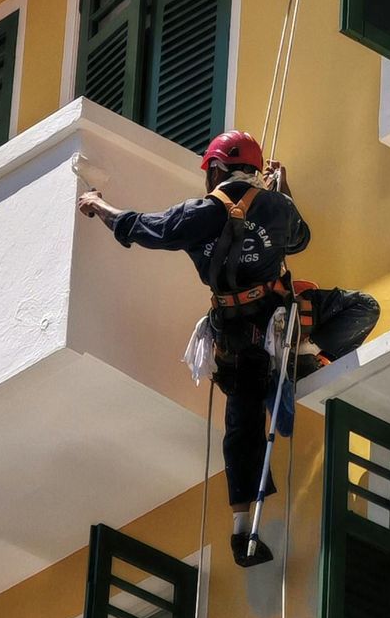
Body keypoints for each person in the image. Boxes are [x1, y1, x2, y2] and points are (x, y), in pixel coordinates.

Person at [78, 129, 308, 568]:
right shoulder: (278, 207)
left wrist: (98, 205)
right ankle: (306, 363)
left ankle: (243, 532)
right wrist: (284, 190)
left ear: (217, 170)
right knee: (357, 308)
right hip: (279, 322)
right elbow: (297, 240)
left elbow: (146, 228)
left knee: (241, 425)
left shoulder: (203, 212)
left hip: (239, 337)